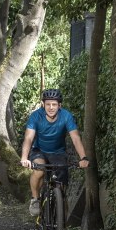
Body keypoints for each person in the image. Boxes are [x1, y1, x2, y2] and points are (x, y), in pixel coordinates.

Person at [20, 88, 90, 217]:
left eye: (54, 104)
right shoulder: (36, 116)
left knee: (61, 181)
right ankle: (35, 199)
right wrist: (24, 157)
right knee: (39, 170)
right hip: (39, 151)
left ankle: (60, 205)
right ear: (43, 104)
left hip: (58, 152)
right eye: (48, 104)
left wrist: (83, 157)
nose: (51, 107)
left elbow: (75, 138)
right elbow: (29, 138)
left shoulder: (66, 116)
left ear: (59, 105)